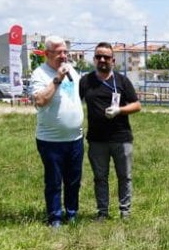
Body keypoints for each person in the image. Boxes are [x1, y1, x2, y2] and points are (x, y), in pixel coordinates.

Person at [80, 42, 142, 220]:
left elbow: (137, 105)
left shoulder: (122, 81)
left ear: (113, 61)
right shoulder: (86, 81)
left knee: (125, 176)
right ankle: (103, 212)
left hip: (121, 138)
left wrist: (120, 110)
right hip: (97, 140)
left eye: (106, 57)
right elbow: (75, 102)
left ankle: (125, 212)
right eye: (98, 56)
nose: (102, 60)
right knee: (100, 178)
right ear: (94, 59)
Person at [29, 35, 84, 228]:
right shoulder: (40, 74)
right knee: (54, 181)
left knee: (74, 180)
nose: (63, 56)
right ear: (47, 54)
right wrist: (58, 78)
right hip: (51, 140)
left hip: (75, 137)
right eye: (59, 52)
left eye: (65, 52)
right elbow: (41, 101)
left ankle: (72, 213)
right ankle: (55, 217)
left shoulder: (73, 71)